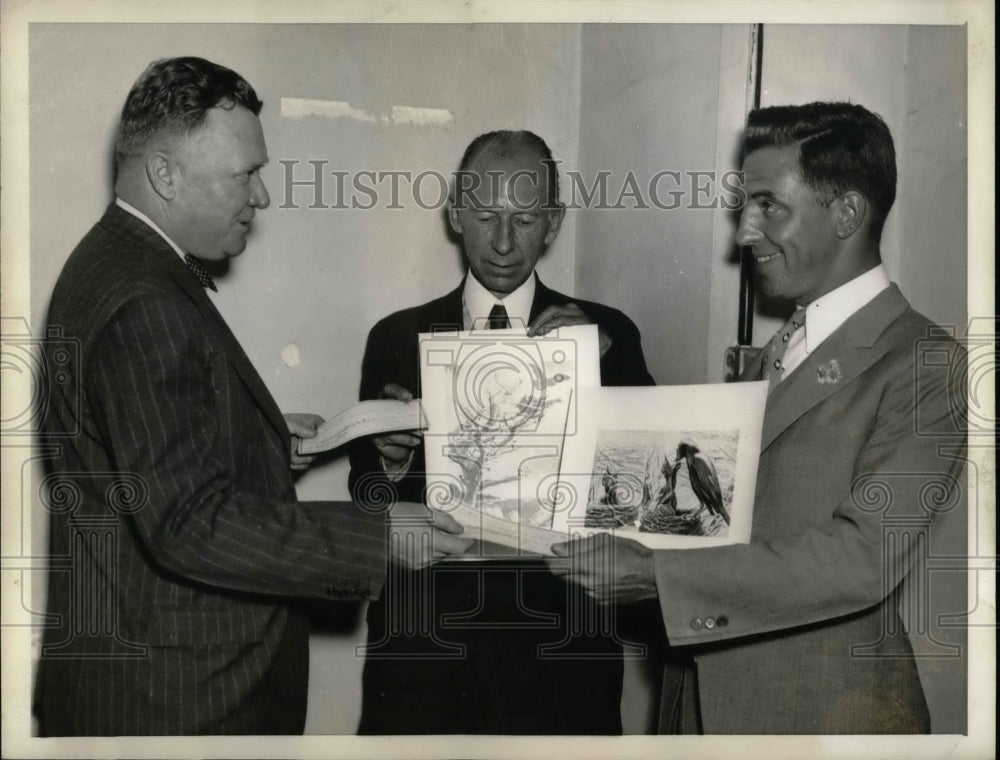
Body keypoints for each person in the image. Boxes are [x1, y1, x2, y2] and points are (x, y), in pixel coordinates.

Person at [34, 56, 471, 737]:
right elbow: (186, 524)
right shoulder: (144, 299)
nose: (261, 198)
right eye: (246, 174)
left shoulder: (119, 262)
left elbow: (143, 467)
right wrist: (378, 535)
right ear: (165, 175)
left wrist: (262, 442)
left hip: (155, 684)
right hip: (180, 703)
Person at [549, 102, 967, 733]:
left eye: (769, 205)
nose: (743, 233)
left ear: (848, 213)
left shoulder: (927, 362)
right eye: (746, 206)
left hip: (821, 717)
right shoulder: (781, 349)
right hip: (702, 705)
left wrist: (657, 575)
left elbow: (863, 558)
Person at [349, 130, 655, 734]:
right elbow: (367, 503)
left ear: (555, 221)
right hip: (425, 647)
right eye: (486, 217)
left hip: (563, 647)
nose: (504, 243)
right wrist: (388, 462)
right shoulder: (395, 337)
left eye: (525, 219)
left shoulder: (609, 334)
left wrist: (596, 376)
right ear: (456, 213)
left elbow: (642, 499)